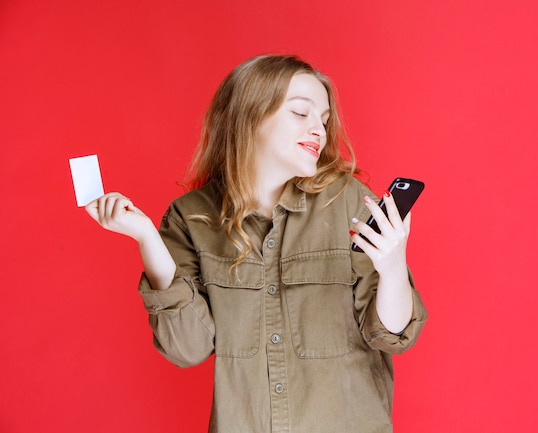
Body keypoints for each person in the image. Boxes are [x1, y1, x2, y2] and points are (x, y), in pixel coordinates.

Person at [86, 55, 427, 433]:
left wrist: (393, 264)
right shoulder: (191, 217)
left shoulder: (348, 201)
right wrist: (147, 236)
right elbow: (188, 349)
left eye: (325, 120)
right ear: (251, 114)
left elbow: (393, 336)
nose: (319, 130)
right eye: (301, 113)